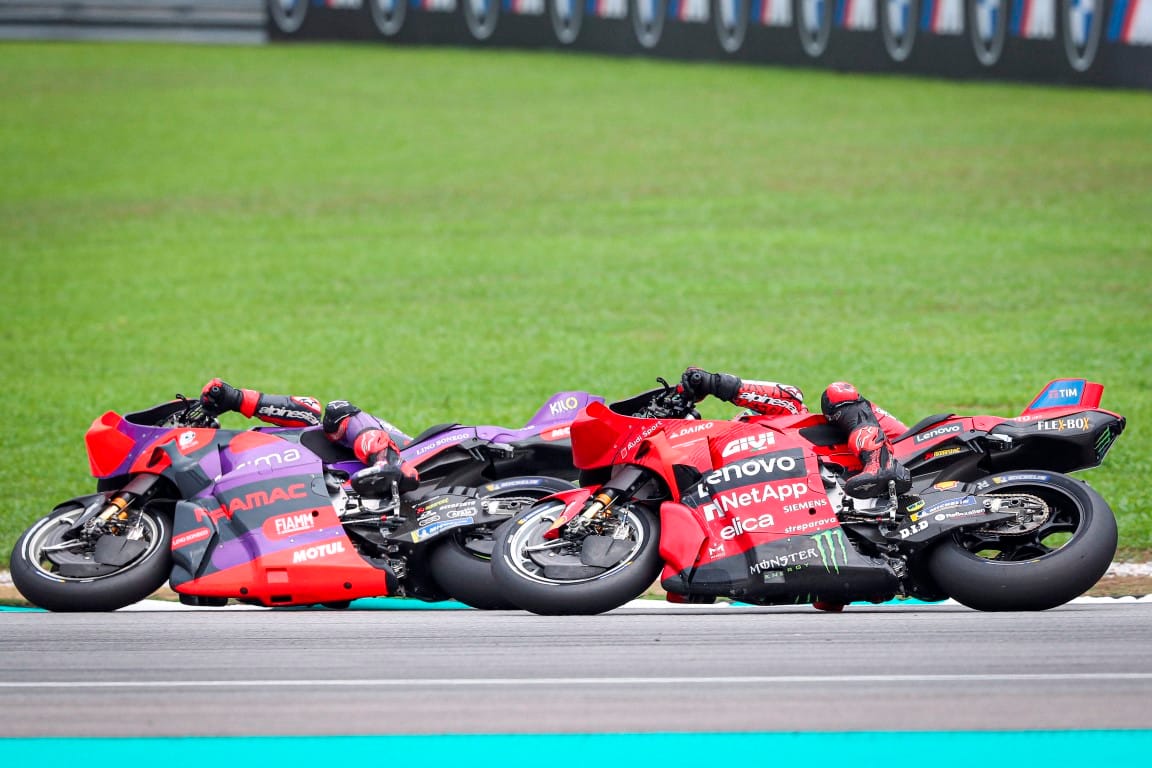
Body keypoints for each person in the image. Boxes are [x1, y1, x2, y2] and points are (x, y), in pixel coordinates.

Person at [677, 367, 911, 499]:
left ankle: (880, 462)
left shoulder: (779, 417)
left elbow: (791, 397)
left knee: (837, 393)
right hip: (842, 487)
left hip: (901, 446)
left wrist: (715, 384)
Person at [199, 378, 419, 496]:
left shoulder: (269, 438)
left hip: (409, 452)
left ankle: (387, 462)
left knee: (337, 412)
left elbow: (309, 409)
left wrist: (236, 399)